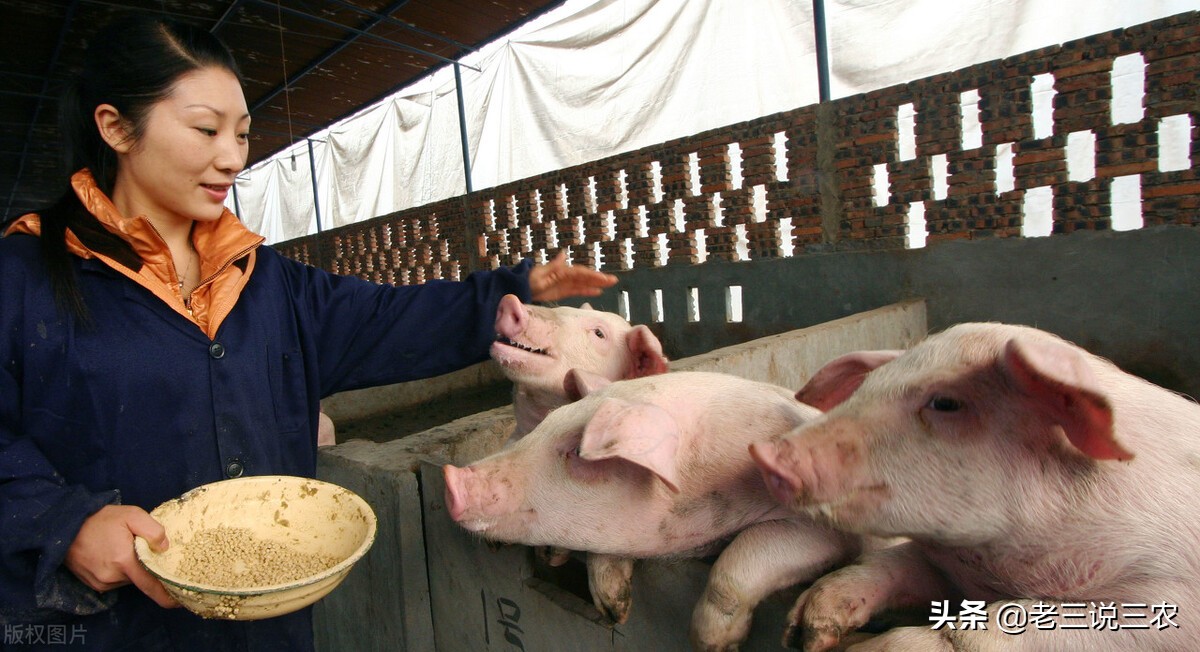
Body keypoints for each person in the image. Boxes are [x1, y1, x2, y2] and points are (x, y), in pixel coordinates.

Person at [0, 14, 616, 651]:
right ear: (115, 127)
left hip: (271, 630)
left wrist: (509, 294)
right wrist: (64, 525)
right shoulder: (26, 278)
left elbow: (386, 322)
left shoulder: (267, 282)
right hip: (113, 631)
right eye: (206, 130)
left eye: (241, 133)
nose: (232, 156)